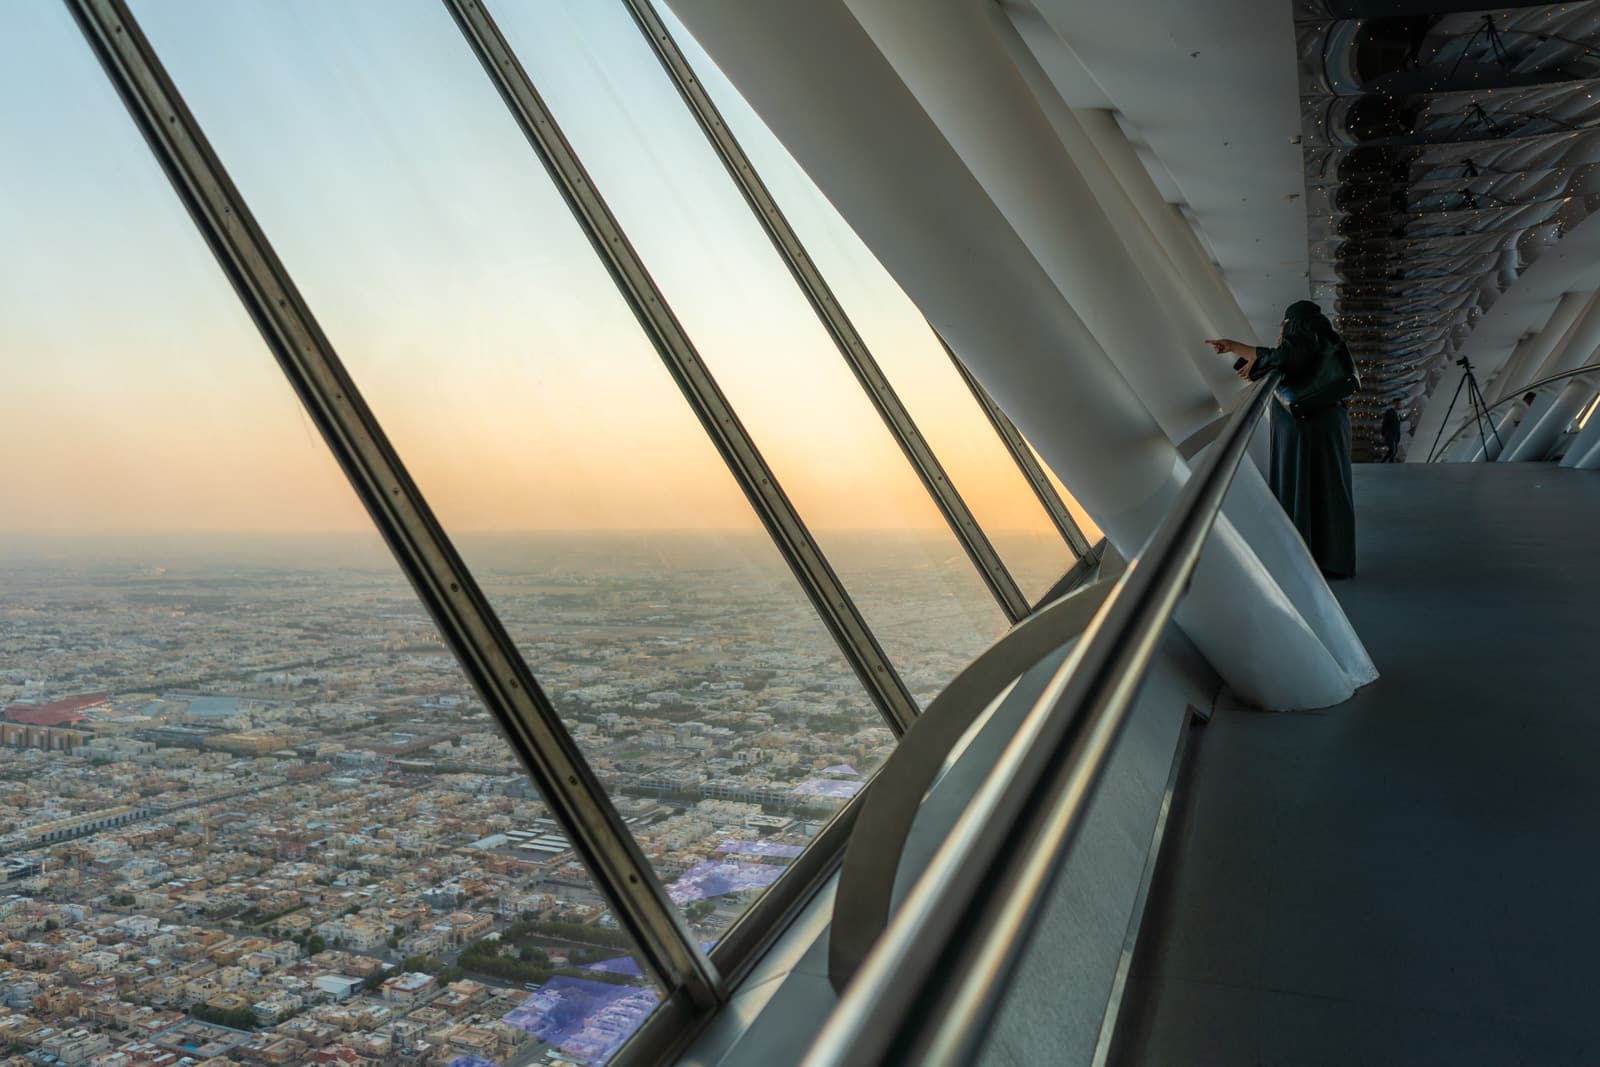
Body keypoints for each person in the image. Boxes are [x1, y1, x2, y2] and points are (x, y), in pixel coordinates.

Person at [1208, 300, 1356, 579]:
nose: (1282, 328)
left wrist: (1234, 347)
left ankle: (1303, 557)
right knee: (1327, 488)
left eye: (1285, 323)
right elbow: (1278, 361)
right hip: (1327, 425)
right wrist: (1247, 357)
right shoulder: (1326, 341)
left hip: (1307, 429)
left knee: (1302, 485)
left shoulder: (1302, 340)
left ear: (1294, 322)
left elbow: (1283, 358)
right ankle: (1332, 557)